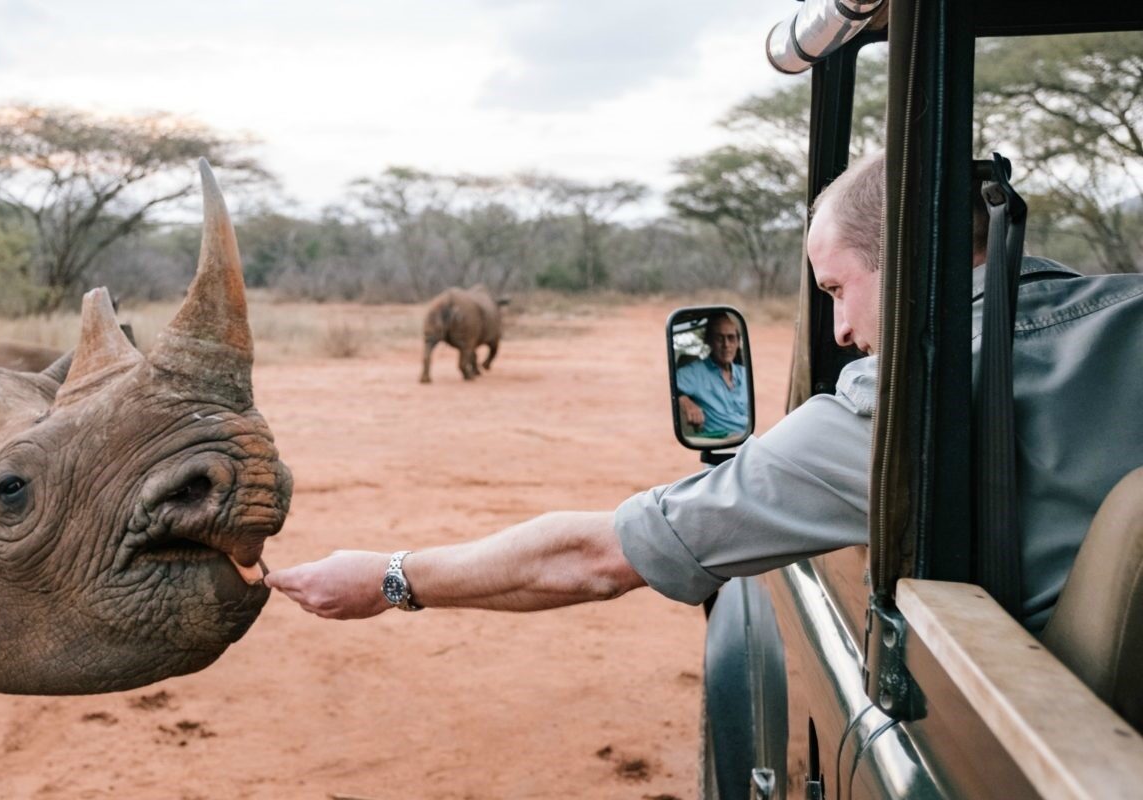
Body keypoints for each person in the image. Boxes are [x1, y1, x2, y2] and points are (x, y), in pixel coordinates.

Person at [267, 152, 1143, 633]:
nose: (840, 333)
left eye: (838, 289)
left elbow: (592, 558)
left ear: (911, 259)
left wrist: (387, 578)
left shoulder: (897, 416)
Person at [675, 313, 749, 439]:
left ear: (738, 342)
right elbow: (668, 385)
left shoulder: (744, 373)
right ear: (708, 341)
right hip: (720, 442)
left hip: (748, 437)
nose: (726, 345)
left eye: (731, 338)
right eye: (719, 338)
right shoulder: (695, 372)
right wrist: (685, 401)